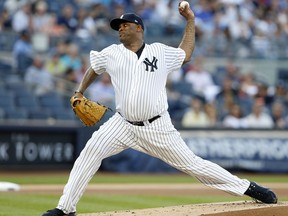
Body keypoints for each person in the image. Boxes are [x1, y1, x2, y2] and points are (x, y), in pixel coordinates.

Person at [42, 4, 277, 216]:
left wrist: (190, 21)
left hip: (157, 127)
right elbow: (94, 67)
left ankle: (249, 188)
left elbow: (186, 53)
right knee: (90, 152)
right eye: (118, 26)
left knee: (194, 166)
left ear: (139, 28)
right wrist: (80, 91)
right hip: (122, 124)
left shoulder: (159, 52)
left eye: (125, 25)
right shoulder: (112, 53)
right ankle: (65, 209)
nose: (120, 29)